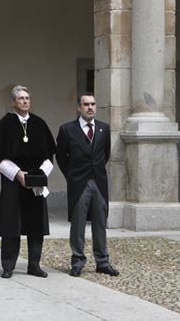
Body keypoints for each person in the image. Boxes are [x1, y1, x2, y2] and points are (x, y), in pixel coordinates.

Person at [0, 85, 55, 279]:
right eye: (20, 99)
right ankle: (8, 265)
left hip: (35, 182)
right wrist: (18, 174)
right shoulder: (5, 124)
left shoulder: (39, 124)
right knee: (11, 224)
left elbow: (50, 154)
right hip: (13, 182)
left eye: (27, 98)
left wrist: (39, 175)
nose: (25, 101)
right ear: (13, 102)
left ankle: (34, 264)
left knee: (36, 225)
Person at [56, 93, 119, 277]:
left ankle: (102, 261)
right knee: (78, 223)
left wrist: (96, 170)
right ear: (79, 107)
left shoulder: (104, 129)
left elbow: (105, 154)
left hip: (99, 181)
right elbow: (61, 157)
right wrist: (72, 175)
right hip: (78, 182)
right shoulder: (67, 129)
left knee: (100, 222)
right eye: (86, 104)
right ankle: (77, 261)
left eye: (92, 104)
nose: (90, 107)